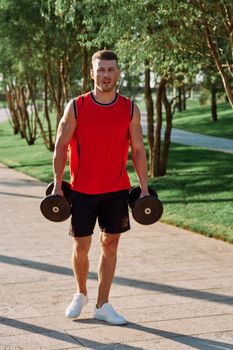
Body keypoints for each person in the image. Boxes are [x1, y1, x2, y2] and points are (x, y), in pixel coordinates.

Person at [52, 50, 149, 325]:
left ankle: (102, 304)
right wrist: (58, 186)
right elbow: (60, 146)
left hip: (116, 189)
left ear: (117, 73)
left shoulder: (129, 109)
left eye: (111, 70)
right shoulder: (76, 106)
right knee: (81, 246)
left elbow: (139, 151)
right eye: (101, 70)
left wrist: (144, 189)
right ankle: (81, 293)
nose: (106, 75)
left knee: (111, 244)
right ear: (92, 73)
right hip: (82, 190)